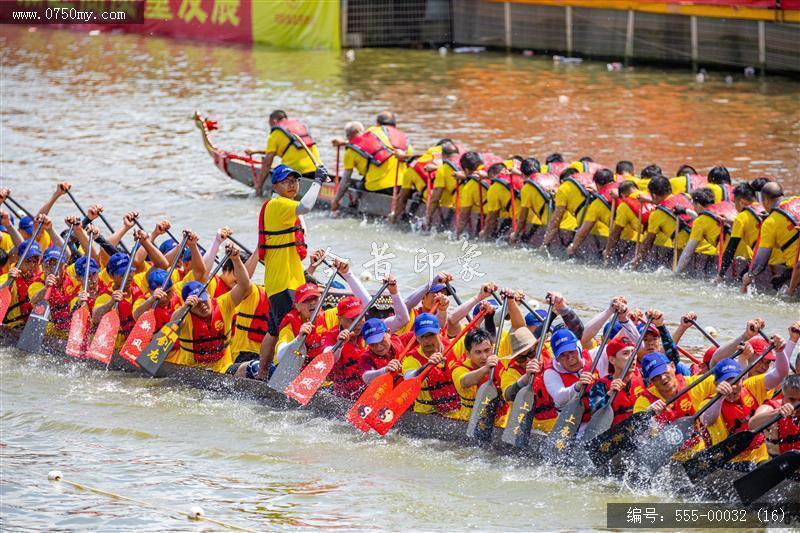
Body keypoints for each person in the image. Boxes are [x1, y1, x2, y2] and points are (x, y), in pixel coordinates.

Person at [258, 162, 328, 376]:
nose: (292, 185)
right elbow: (306, 206)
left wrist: (308, 274)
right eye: (286, 181)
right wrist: (317, 182)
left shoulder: (286, 206)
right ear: (275, 186)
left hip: (285, 280)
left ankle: (262, 375)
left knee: (273, 330)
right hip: (283, 284)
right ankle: (284, 374)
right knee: (290, 328)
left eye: (296, 181)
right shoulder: (278, 205)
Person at [700, 335, 789, 468]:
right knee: (749, 467)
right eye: (726, 381)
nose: (732, 387)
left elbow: (780, 374)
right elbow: (708, 420)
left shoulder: (752, 386)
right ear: (716, 383)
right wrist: (719, 398)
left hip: (759, 454)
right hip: (728, 460)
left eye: (736, 381)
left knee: (762, 464)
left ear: (742, 379)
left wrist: (780, 351)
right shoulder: (709, 403)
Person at [167, 244, 251, 374]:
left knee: (252, 368)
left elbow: (245, 286)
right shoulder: (184, 314)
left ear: (209, 295)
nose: (203, 305)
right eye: (197, 304)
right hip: (194, 371)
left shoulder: (223, 303)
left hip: (223, 369)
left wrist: (236, 259)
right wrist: (185, 307)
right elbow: (172, 324)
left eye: (204, 299)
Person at [633, 351, 717, 455]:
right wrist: (650, 417)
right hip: (668, 459)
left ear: (673, 366)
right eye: (656, 376)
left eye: (664, 371)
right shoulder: (644, 402)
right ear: (650, 381)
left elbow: (727, 379)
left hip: (699, 451)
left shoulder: (693, 384)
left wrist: (743, 356)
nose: (662, 378)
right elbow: (640, 436)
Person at [332, 112, 413, 211]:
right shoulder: (404, 139)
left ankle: (355, 206)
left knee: (356, 185)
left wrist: (336, 200)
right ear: (394, 124)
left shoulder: (371, 133)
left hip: (376, 188)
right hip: (401, 188)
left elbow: (345, 179)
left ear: (377, 123)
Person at [398, 313, 461, 417]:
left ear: (440, 332)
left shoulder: (453, 347)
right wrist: (427, 366)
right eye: (422, 337)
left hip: (457, 413)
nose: (426, 341)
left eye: (431, 335)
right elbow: (409, 378)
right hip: (426, 416)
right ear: (416, 338)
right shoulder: (412, 360)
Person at [742, 182, 799, 292]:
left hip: (797, 268)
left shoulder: (770, 223)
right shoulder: (797, 199)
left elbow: (760, 264)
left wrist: (749, 276)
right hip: (795, 267)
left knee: (778, 287)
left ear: (766, 201)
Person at [252, 110, 320, 196]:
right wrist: (255, 152)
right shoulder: (300, 126)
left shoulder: (276, 133)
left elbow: (267, 162)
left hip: (295, 172)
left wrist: (259, 185)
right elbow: (290, 148)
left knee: (277, 175)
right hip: (316, 170)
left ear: (274, 121)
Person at [632, 175, 693, 269]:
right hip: (703, 246)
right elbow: (669, 203)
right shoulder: (685, 196)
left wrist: (636, 262)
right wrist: (651, 200)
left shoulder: (657, 215)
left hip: (684, 251)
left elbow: (647, 243)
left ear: (654, 195)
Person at [392, 139, 456, 224]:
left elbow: (402, 198)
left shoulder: (409, 172)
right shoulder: (449, 163)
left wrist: (394, 216)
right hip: (454, 203)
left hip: (432, 203)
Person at [716, 182, 767, 282]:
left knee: (739, 281)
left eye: (735, 203)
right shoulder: (764, 209)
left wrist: (720, 275)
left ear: (741, 202)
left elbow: (731, 249)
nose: (735, 207)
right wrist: (732, 222)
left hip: (765, 260)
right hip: (776, 256)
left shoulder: (741, 218)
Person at [450, 327, 498, 421]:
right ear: (468, 354)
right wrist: (486, 368)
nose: (484, 357)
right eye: (478, 352)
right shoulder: (458, 369)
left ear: (492, 348)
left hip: (499, 423)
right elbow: (465, 381)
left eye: (487, 350)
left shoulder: (498, 360)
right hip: (469, 422)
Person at [567, 168, 617, 257]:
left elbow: (584, 231)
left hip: (620, 239)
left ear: (596, 184)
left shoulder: (597, 204)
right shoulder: (624, 189)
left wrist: (573, 247)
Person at [675, 188, 726, 274]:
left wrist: (676, 273)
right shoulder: (721, 210)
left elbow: (688, 253)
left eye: (693, 206)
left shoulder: (700, 221)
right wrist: (686, 211)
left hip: (728, 256)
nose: (693, 208)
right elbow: (705, 219)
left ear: (698, 205)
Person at [540, 167, 595, 249]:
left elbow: (556, 220)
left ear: (562, 182)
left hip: (586, 229)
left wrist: (545, 243)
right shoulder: (591, 183)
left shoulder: (563, 189)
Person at [602, 180, 652, 265]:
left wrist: (607, 251)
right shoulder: (647, 195)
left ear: (623, 195)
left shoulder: (624, 206)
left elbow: (616, 233)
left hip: (650, 240)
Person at [752, 373, 800, 456]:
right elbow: (752, 424)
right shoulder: (770, 407)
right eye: (792, 399)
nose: (797, 404)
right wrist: (777, 412)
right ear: (782, 396)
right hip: (777, 463)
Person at [1, 238, 43, 328]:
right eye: (28, 261)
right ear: (18, 257)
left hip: (32, 328)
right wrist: (8, 282)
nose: (32, 265)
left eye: (35, 261)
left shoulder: (43, 276)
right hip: (11, 330)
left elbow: (67, 255)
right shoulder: (7, 278)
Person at [425, 141, 464, 229]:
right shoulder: (465, 164)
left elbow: (435, 198)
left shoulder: (442, 170)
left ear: (442, 156)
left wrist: (428, 217)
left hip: (460, 208)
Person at [480, 162, 523, 240]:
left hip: (521, 220)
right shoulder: (520, 176)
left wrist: (484, 233)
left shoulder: (494, 187)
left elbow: (491, 217)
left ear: (492, 176)